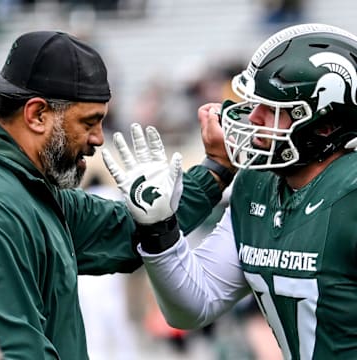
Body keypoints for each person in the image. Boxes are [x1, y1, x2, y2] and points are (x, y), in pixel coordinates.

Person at [102, 23, 357, 359]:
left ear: (325, 125)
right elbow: (194, 305)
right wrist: (159, 228)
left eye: (272, 109)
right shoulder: (257, 185)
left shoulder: (350, 196)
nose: (253, 117)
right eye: (254, 103)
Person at [0, 30, 233, 359]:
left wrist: (217, 169)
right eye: (89, 122)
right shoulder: (5, 206)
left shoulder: (34, 193)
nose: (97, 139)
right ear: (37, 115)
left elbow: (126, 229)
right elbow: (15, 351)